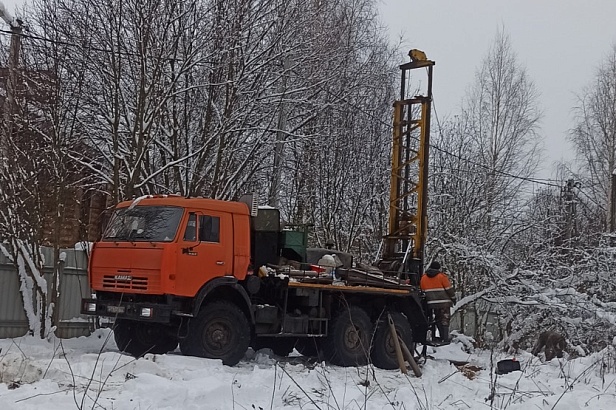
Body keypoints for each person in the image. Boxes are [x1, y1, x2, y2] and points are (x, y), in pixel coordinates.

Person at [420, 261, 456, 343]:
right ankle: (445, 338)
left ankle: (437, 337)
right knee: (444, 320)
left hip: (432, 303)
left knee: (437, 319)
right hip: (444, 303)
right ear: (438, 268)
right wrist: (453, 298)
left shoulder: (424, 278)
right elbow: (449, 289)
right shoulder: (442, 277)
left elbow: (422, 289)